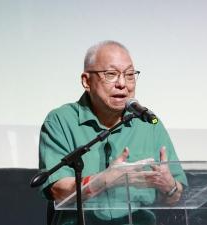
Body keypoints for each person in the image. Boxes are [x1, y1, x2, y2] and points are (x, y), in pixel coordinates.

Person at [38, 40, 187, 225]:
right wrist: (105, 180)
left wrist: (170, 187)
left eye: (130, 75)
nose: (123, 84)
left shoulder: (149, 123)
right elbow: (58, 191)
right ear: (86, 81)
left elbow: (177, 197)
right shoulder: (61, 121)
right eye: (111, 74)